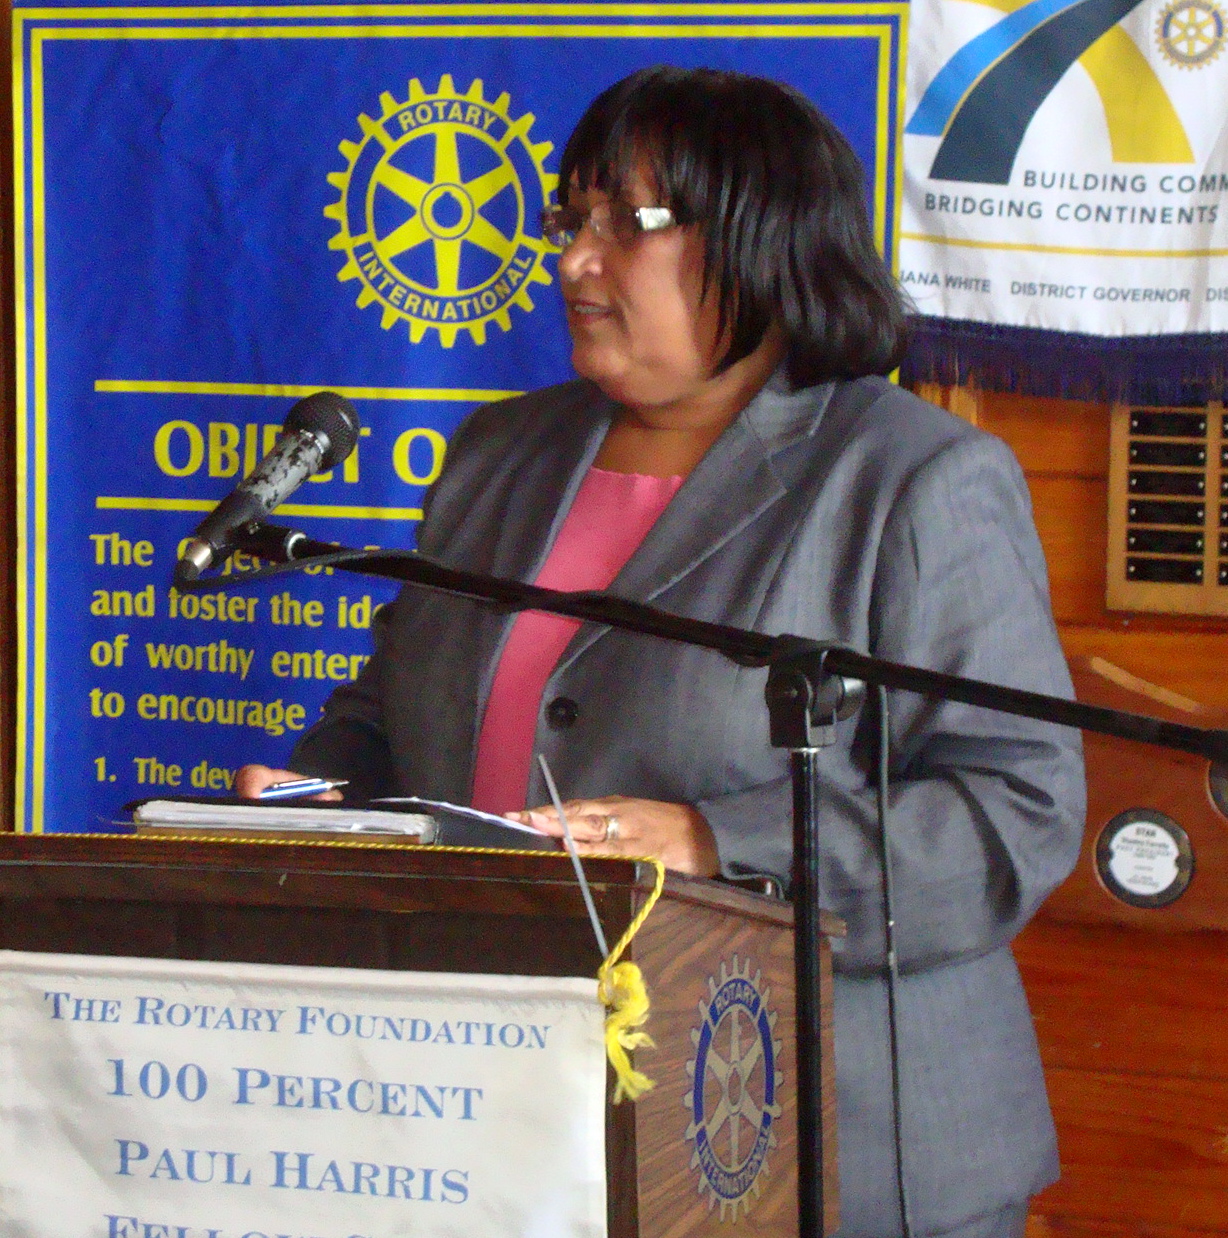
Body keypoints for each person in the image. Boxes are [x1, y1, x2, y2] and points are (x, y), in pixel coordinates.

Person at [238, 66, 1085, 1238]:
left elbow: (1015, 813)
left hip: (835, 1148)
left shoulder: (910, 478)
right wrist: (321, 791)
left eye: (625, 223)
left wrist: (709, 844)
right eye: (567, 220)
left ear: (761, 236)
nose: (574, 261)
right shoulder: (498, 454)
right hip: (524, 1127)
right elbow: (393, 709)